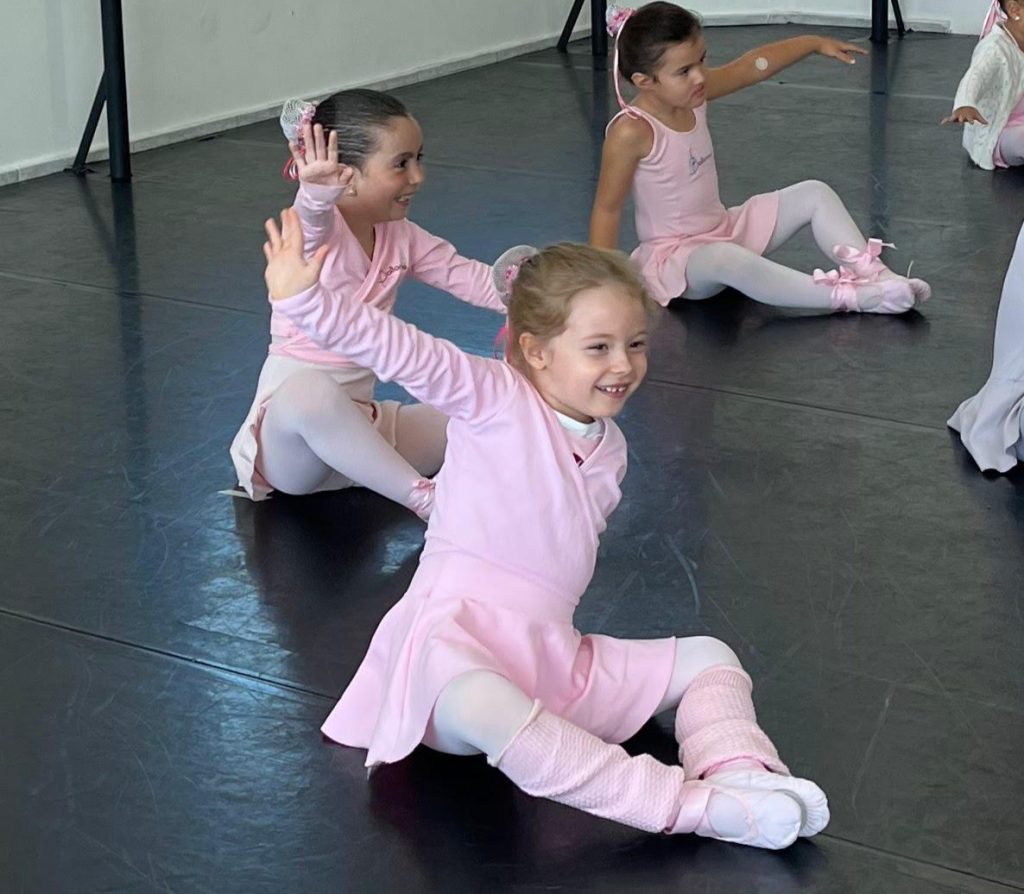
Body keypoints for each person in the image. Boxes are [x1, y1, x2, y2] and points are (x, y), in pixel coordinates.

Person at [260, 206, 830, 849]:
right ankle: (687, 806)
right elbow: (402, 350)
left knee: (708, 656)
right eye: (598, 348)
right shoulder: (491, 398)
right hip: (454, 655)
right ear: (534, 350)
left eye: (636, 344)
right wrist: (308, 302)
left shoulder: (609, 447)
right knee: (483, 703)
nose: (624, 365)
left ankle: (740, 773)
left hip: (549, 655)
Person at [230, 90, 506, 518]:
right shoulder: (314, 231)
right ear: (346, 173)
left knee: (490, 405)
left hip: (364, 432)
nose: (418, 176)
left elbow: (469, 277)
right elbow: (310, 229)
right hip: (294, 455)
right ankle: (423, 498)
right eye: (401, 164)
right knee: (311, 393)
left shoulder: (403, 236)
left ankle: (385, 468)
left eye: (419, 159)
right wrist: (314, 197)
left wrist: (544, 297)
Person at [590, 2, 930, 313]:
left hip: (724, 229)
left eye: (702, 60)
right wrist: (605, 290)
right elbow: (607, 210)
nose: (700, 75)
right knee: (728, 260)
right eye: (684, 71)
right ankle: (851, 297)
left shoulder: (695, 92)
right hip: (681, 260)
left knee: (815, 193)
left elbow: (753, 67)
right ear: (643, 81)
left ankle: (880, 276)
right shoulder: (631, 131)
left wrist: (812, 43)